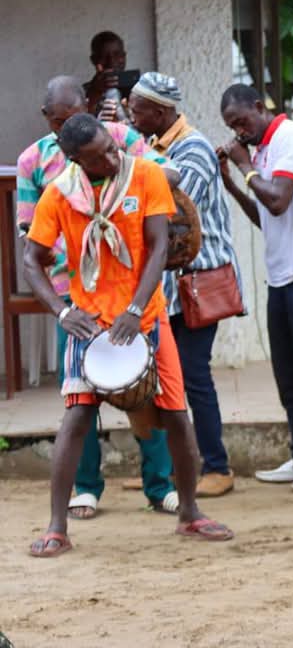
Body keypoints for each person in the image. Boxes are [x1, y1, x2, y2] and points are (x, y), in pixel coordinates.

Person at [25, 114, 234, 557]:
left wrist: (137, 309)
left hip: (148, 317)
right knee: (77, 418)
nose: (112, 155)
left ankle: (190, 513)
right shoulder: (60, 195)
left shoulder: (143, 174)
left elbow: (159, 245)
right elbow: (32, 259)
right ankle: (57, 526)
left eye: (111, 145)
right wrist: (62, 312)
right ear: (75, 160)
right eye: (99, 155)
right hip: (90, 322)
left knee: (176, 414)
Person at [17, 76, 179, 520]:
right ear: (47, 119)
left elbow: (167, 173)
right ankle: (86, 488)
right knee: (81, 401)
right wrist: (63, 305)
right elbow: (29, 235)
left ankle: (160, 485)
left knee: (146, 390)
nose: (66, 123)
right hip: (76, 297)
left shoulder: (121, 138)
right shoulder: (34, 160)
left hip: (131, 295)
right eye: (59, 120)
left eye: (74, 116)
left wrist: (132, 178)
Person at [218, 84, 293, 493]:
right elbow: (266, 217)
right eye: (232, 126)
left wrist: (245, 168)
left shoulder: (288, 137)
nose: (239, 131)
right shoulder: (260, 151)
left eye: (242, 121)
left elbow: (279, 201)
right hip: (282, 274)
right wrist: (234, 184)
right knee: (287, 374)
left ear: (259, 106)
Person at [128, 72, 242, 498]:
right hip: (170, 288)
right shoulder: (157, 147)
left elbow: (169, 210)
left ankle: (217, 467)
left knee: (194, 377)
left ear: (159, 111)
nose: (130, 116)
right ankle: (172, 471)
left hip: (196, 285)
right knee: (163, 378)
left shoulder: (191, 149)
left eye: (136, 110)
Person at [84, 31, 129, 117]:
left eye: (117, 55)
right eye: (104, 56)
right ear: (94, 60)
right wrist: (95, 93)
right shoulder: (83, 92)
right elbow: (79, 123)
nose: (111, 61)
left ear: (123, 57)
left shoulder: (138, 89)